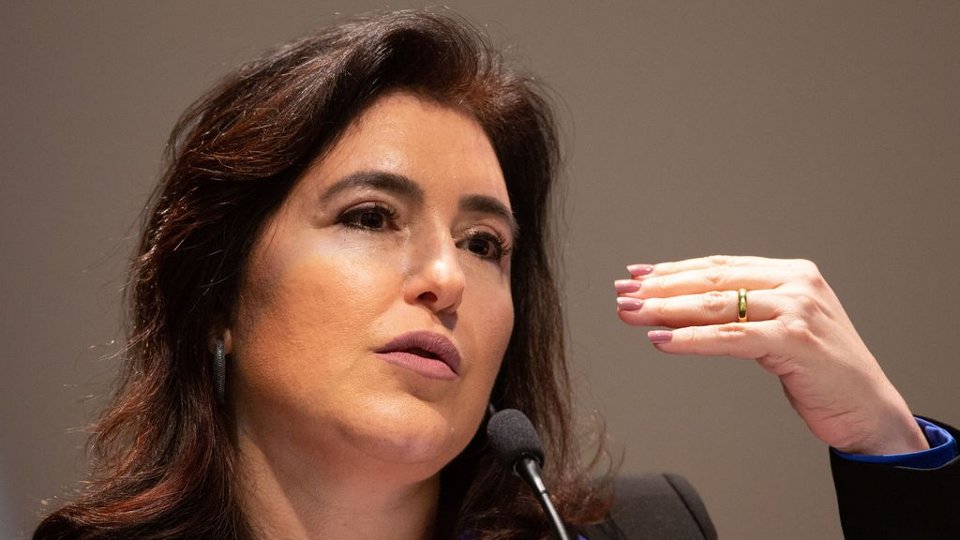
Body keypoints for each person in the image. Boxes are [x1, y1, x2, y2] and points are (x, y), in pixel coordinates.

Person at [33, 9, 958, 540]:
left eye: (485, 244)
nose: (446, 278)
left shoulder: (645, 532)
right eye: (370, 217)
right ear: (216, 295)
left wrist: (880, 440)